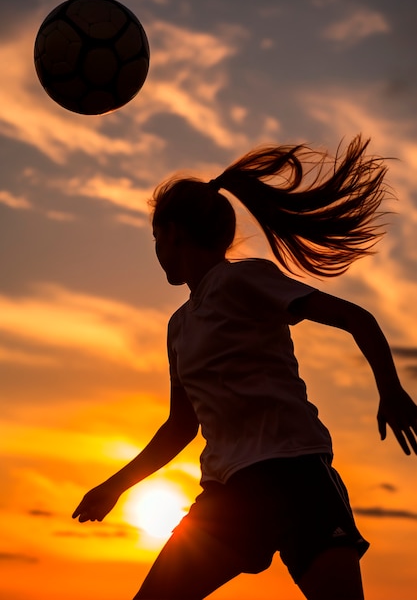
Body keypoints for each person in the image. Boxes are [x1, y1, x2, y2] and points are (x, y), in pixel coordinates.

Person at [72, 136, 417, 600]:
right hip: (231, 495)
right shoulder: (179, 327)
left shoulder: (243, 279)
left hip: (297, 477)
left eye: (156, 238)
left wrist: (391, 391)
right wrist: (115, 487)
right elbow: (180, 427)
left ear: (173, 233)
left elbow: (357, 318)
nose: (156, 251)